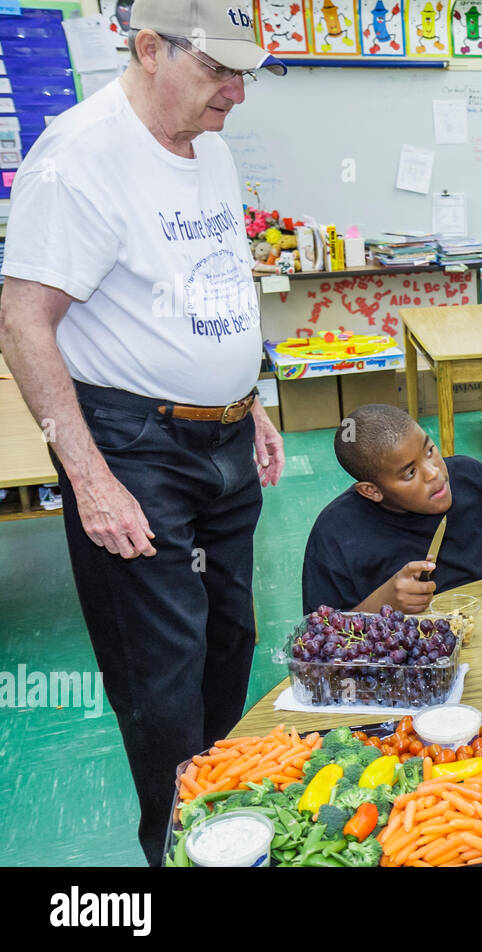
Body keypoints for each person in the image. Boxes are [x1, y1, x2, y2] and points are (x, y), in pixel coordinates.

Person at [0, 0, 287, 866]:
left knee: (231, 635)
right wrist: (88, 476)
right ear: (149, 47)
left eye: (244, 73)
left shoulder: (212, 146)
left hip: (225, 440)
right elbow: (22, 321)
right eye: (215, 71)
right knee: (163, 675)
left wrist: (253, 398)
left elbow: (216, 285)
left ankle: (226, 816)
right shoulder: (79, 158)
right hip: (134, 446)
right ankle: (179, 850)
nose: (235, 93)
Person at [301, 405, 482, 615]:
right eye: (410, 473)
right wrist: (381, 605)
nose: (434, 473)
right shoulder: (335, 533)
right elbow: (319, 639)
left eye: (430, 450)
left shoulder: (471, 479)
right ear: (372, 491)